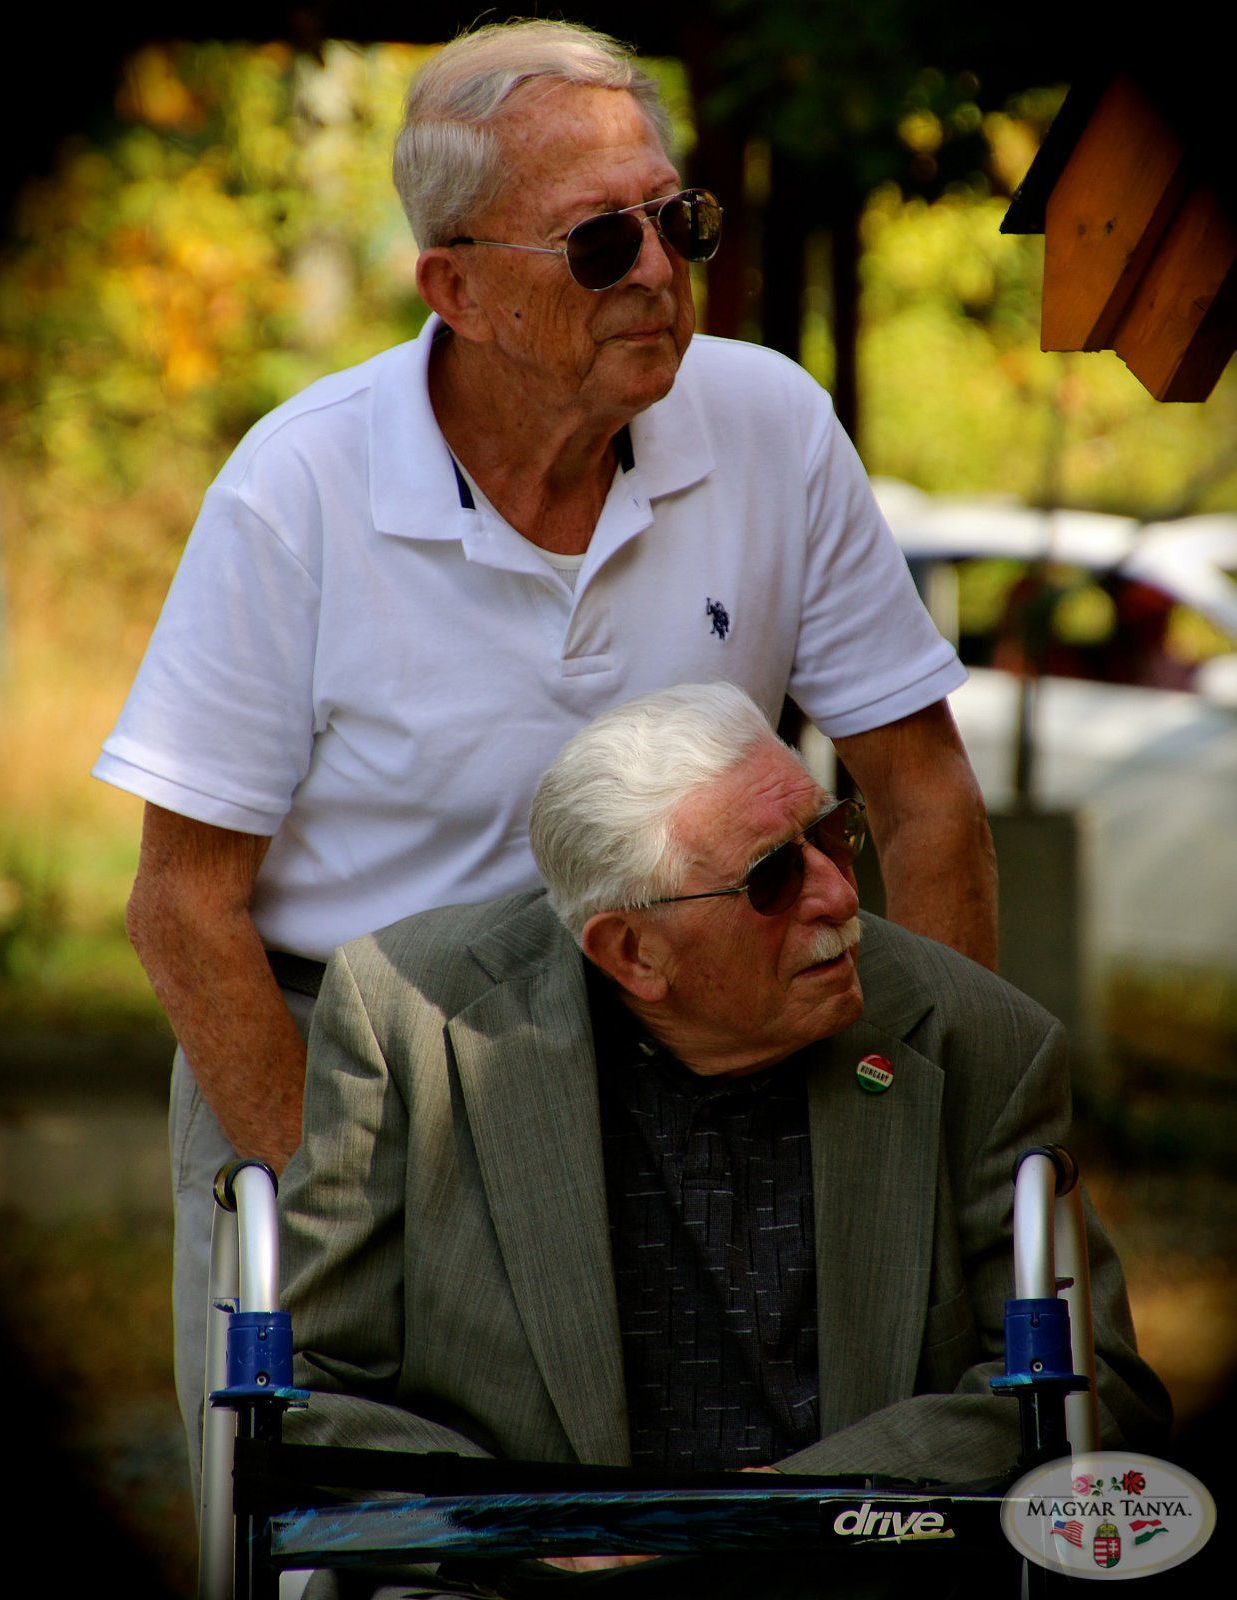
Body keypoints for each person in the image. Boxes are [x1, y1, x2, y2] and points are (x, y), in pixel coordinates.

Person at [92, 19, 995, 1484]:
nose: (656, 270)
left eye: (673, 219)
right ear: (451, 285)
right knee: (354, 1515)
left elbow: (926, 803)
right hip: (350, 1061)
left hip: (692, 1049)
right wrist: (335, 1217)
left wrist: (939, 1122)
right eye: (595, 244)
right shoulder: (298, 487)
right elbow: (180, 901)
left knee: (714, 1523)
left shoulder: (768, 423)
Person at [278, 681, 1167, 1599]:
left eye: (832, 835)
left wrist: (787, 1510)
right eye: (773, 878)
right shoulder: (413, 1017)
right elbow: (306, 1383)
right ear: (633, 953)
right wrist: (520, 1530)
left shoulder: (974, 1035)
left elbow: (1094, 1390)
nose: (835, 894)